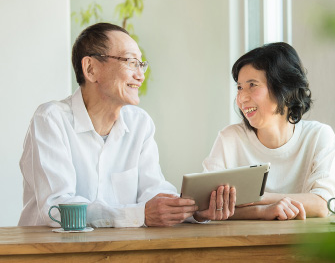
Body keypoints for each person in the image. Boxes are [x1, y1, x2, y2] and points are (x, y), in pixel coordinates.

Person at [18, 23, 235, 228]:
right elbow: (58, 208)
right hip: (52, 251)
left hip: (119, 250)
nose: (140, 75)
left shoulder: (140, 123)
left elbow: (153, 191)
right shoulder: (50, 119)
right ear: (91, 68)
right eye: (131, 62)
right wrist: (139, 215)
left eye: (141, 64)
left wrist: (194, 211)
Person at [202, 42, 335, 220]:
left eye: (252, 85)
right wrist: (263, 211)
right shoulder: (230, 138)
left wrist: (260, 198)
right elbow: (204, 208)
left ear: (284, 89)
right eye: (239, 87)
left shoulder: (318, 136)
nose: (241, 98)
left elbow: (322, 204)